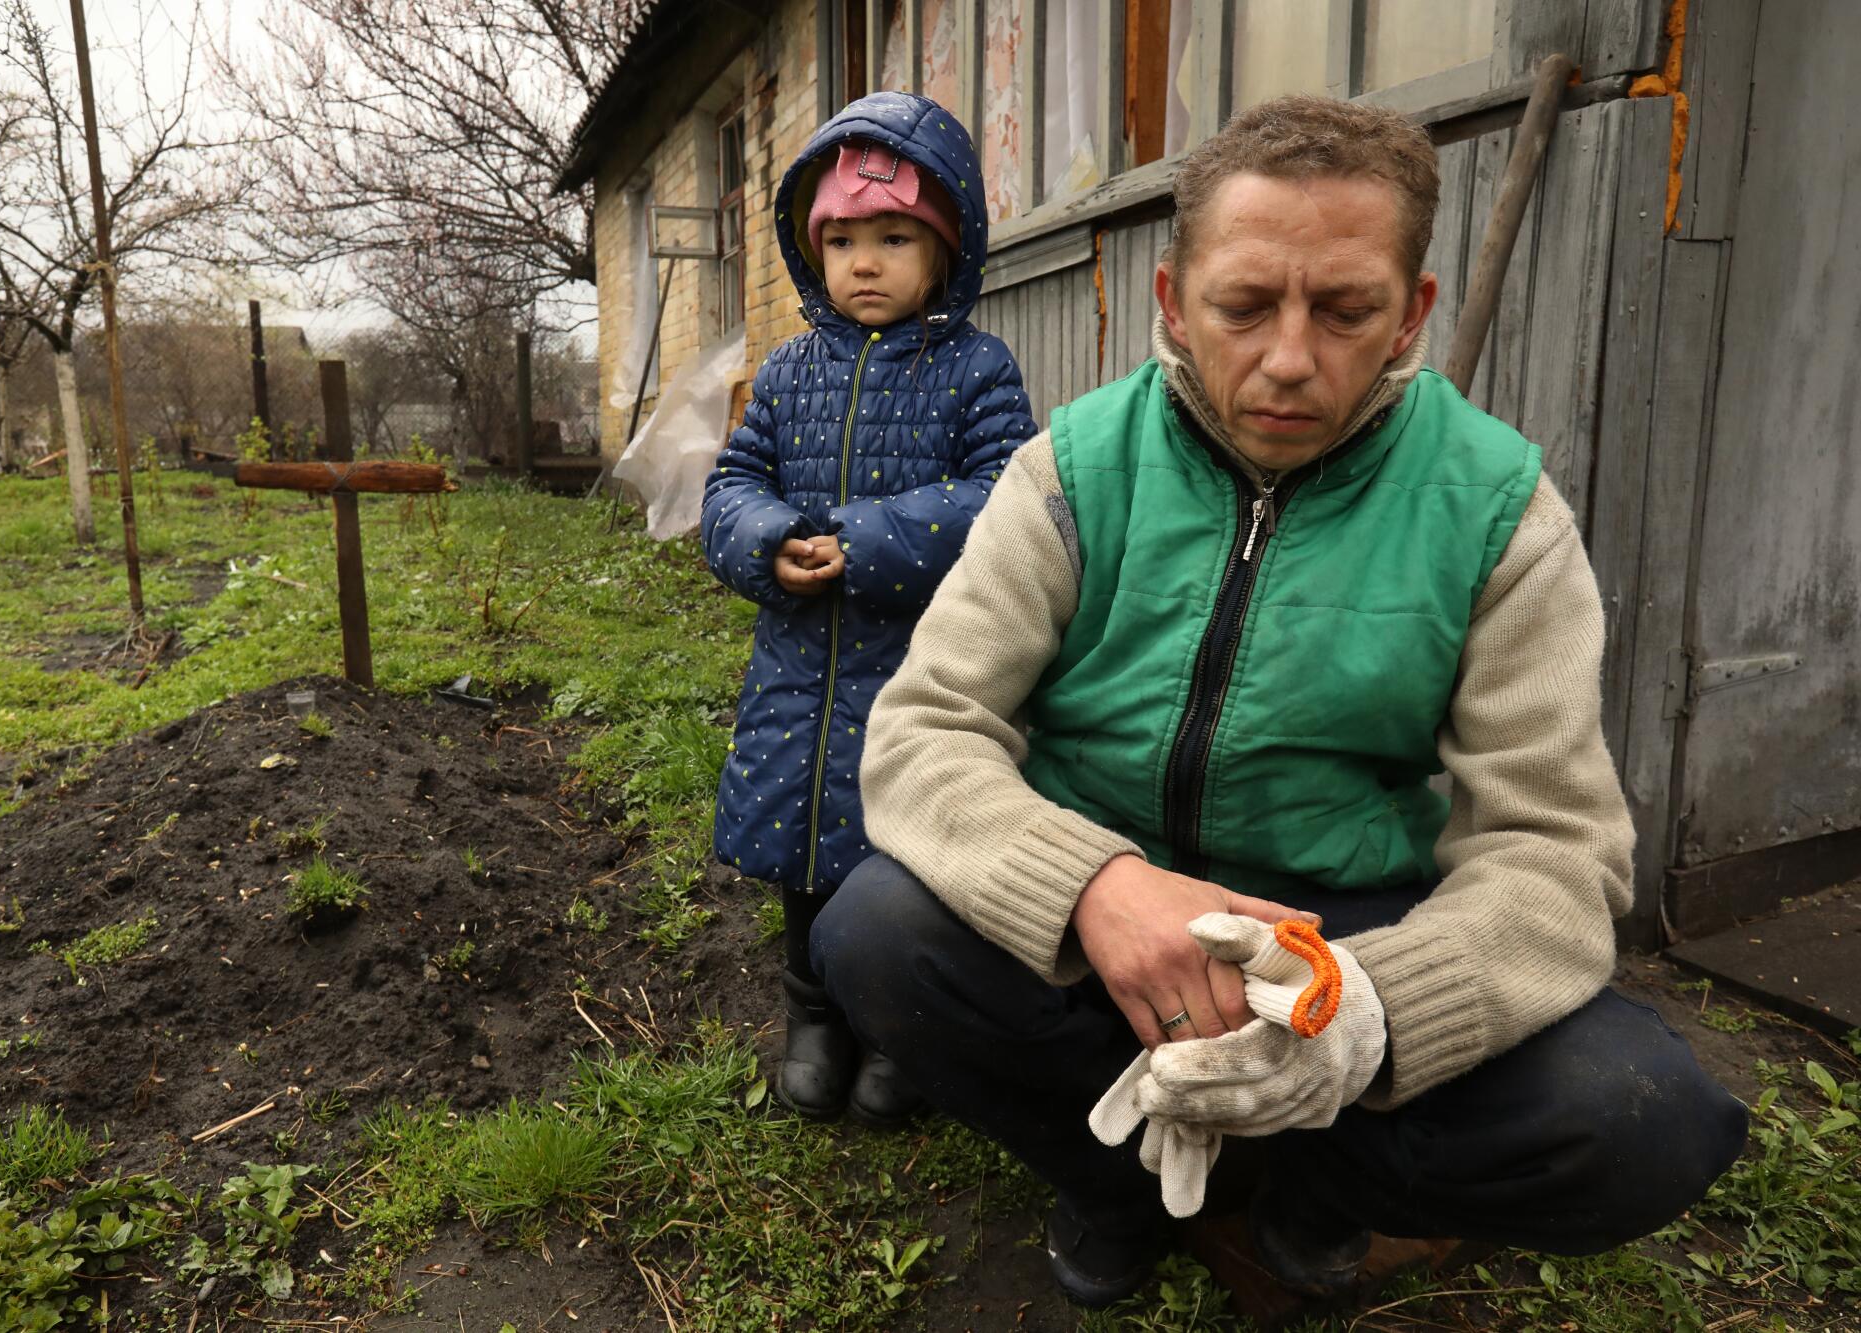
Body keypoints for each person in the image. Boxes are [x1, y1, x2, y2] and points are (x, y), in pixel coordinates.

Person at [811, 95, 1748, 1307]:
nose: (1290, 358)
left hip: (1346, 928)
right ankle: (1114, 1181)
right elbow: (924, 729)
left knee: (1642, 1119)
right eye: (1242, 306)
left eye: (1346, 309)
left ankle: (1320, 1190)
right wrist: (1094, 885)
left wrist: (1366, 1012)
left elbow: (1556, 854)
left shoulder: (1498, 512)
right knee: (871, 931)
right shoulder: (1072, 471)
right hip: (1112, 901)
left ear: (1410, 311)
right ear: (1170, 303)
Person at [700, 91, 1035, 1125]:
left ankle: (896, 1030)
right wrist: (766, 540)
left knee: (905, 848)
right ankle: (813, 1016)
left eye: (894, 237)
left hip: (923, 670)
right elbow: (729, 486)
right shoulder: (790, 371)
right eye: (841, 240)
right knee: (799, 846)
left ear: (948, 248)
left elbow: (1002, 498)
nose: (865, 262)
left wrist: (866, 540)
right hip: (798, 673)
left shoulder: (975, 370)